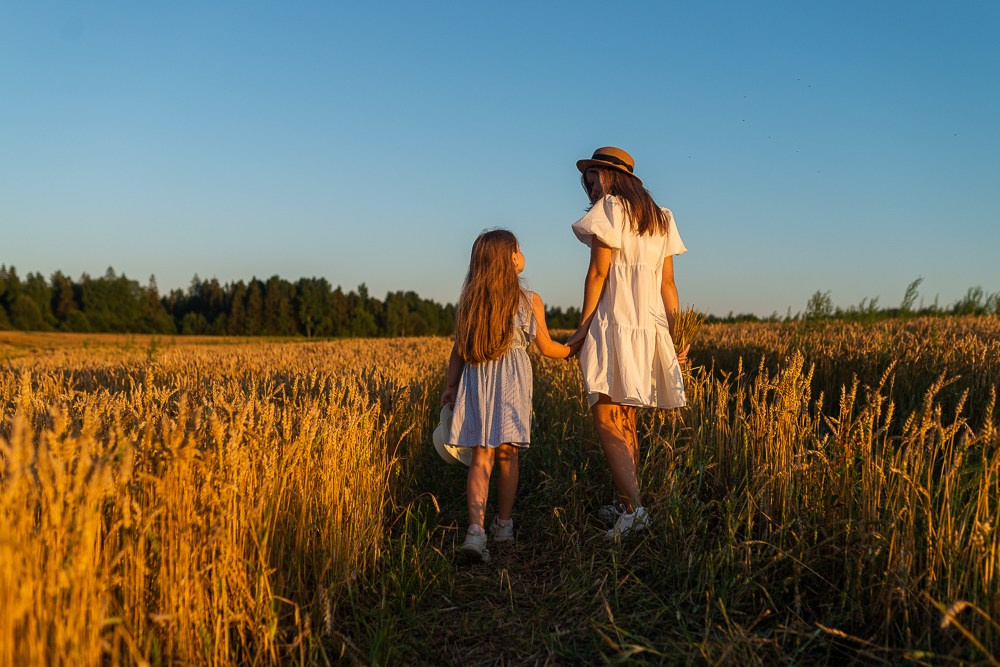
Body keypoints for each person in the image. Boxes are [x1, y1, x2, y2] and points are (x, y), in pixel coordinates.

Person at [565, 146, 690, 540]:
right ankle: (625, 503)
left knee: (605, 416)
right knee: (627, 417)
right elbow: (668, 284)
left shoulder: (611, 210)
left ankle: (634, 511)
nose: (587, 185)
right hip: (649, 325)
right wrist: (677, 333)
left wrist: (583, 327)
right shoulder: (660, 216)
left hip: (615, 322)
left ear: (607, 176)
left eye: (591, 177)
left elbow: (598, 275)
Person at [441, 228, 577, 563]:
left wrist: (450, 386)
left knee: (481, 457)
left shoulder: (470, 302)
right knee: (507, 456)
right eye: (518, 249)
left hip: (477, 382)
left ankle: (475, 532)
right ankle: (503, 525)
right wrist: (577, 345)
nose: (522, 254)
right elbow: (547, 348)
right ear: (509, 260)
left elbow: (457, 352)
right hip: (512, 386)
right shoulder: (530, 301)